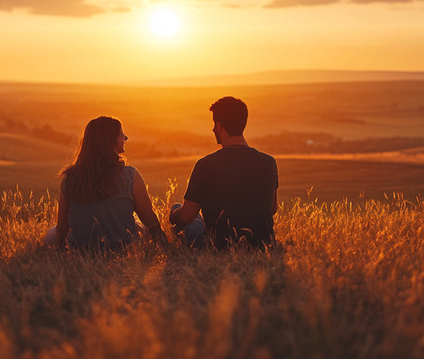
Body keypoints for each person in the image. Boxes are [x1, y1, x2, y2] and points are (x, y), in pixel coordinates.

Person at [44, 116, 168, 251]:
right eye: (121, 135)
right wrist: (164, 244)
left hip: (81, 249)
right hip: (124, 249)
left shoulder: (70, 178)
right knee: (139, 225)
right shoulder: (130, 175)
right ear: (109, 141)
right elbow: (149, 218)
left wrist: (62, 249)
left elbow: (62, 227)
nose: (126, 138)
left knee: (52, 232)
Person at [169, 96, 279, 250]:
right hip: (262, 244)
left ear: (219, 126)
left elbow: (187, 216)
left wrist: (172, 216)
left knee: (177, 207)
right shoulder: (269, 163)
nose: (213, 129)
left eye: (214, 124)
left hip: (219, 246)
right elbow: (272, 209)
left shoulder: (205, 165)